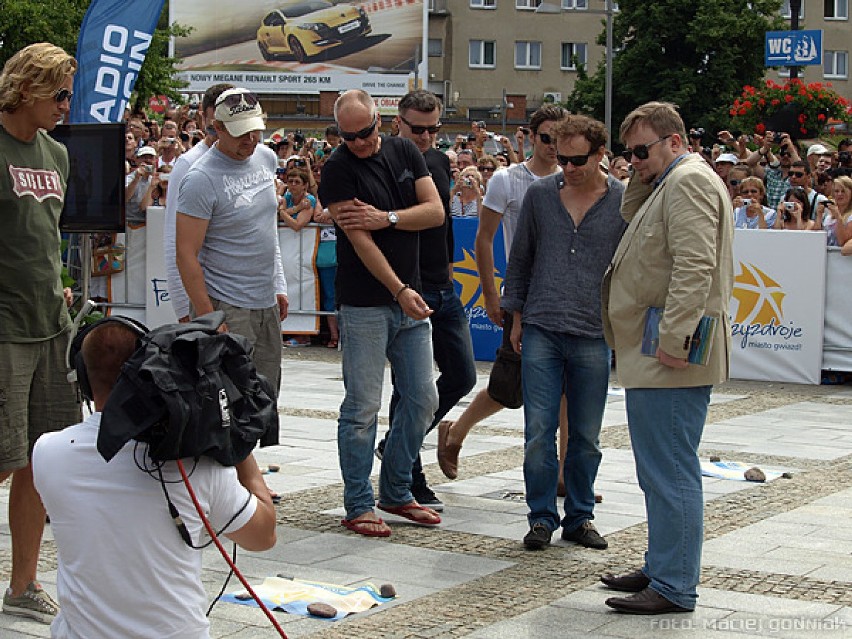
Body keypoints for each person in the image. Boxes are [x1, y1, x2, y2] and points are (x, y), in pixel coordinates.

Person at [32, 320, 276, 637]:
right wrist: (233, 439)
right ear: (151, 370)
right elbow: (263, 536)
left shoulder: (48, 452)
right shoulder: (195, 466)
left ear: (82, 378)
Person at [601, 101, 733, 614]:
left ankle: (675, 584)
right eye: (628, 152)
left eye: (641, 151)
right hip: (658, 348)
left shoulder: (689, 182)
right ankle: (662, 565)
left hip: (670, 353)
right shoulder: (671, 179)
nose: (632, 161)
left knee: (671, 470)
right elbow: (633, 216)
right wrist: (644, 168)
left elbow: (694, 266)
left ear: (674, 142)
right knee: (658, 467)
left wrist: (674, 342)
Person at [317, 89, 444, 537]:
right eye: (350, 137)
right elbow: (360, 242)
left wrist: (388, 217)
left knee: (424, 398)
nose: (361, 144)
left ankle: (395, 488)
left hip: (409, 299)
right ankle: (358, 501)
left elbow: (435, 212)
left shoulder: (405, 149)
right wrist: (400, 289)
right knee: (363, 405)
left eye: (367, 132)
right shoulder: (335, 170)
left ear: (380, 119)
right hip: (367, 302)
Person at [502, 114, 626, 551]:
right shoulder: (539, 195)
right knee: (538, 429)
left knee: (587, 434)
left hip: (594, 330)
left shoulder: (622, 201)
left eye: (577, 160)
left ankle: (580, 516)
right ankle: (540, 516)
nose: (568, 167)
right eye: (561, 156)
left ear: (599, 156)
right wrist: (514, 318)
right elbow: (521, 259)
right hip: (542, 325)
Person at [437, 105, 567, 481]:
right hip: (522, 295)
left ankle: (564, 471)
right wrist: (492, 297)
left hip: (562, 297)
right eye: (546, 138)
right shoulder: (507, 179)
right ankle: (456, 430)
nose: (553, 146)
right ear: (530, 136)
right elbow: (484, 240)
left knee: (565, 387)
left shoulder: (571, 178)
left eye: (560, 138)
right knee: (509, 385)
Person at [0, 42, 81, 624]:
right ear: (28, 88)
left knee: (39, 459)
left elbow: (47, 237)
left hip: (51, 323)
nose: (66, 106)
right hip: (3, 326)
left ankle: (22, 584)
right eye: (59, 94)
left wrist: (63, 284)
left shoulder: (57, 153)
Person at [374, 89, 477, 511]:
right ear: (397, 121)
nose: (427, 136)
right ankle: (407, 473)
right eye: (418, 128)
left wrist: (451, 267)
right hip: (408, 285)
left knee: (462, 375)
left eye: (435, 128)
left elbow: (445, 222)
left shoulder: (436, 160)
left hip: (442, 283)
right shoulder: (384, 160)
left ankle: (396, 443)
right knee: (410, 387)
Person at [176, 88, 289, 412]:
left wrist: (278, 283)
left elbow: (267, 227)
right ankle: (229, 463)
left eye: (256, 130)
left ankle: (247, 460)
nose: (251, 140)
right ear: (218, 127)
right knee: (225, 401)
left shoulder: (266, 157)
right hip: (226, 301)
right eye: (242, 133)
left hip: (263, 300)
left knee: (263, 398)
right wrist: (208, 315)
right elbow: (185, 253)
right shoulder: (200, 178)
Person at [164, 83, 234, 323]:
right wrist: (184, 309)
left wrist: (278, 284)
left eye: (226, 125)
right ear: (203, 118)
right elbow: (174, 243)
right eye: (213, 126)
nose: (220, 133)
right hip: (204, 298)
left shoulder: (256, 158)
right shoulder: (187, 165)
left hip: (244, 298)